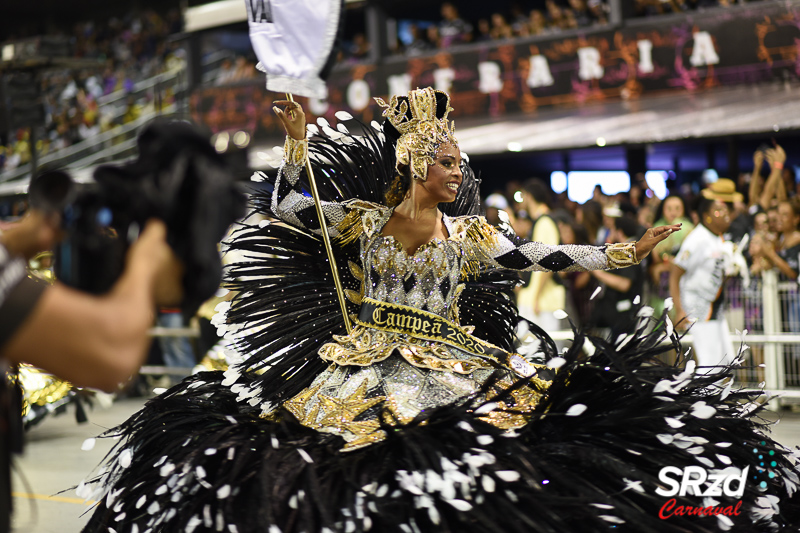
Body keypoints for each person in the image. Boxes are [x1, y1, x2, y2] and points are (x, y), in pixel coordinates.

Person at [81, 89, 800, 533]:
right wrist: (298, 142)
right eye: (450, 162)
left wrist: (618, 252)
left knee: (469, 466)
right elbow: (286, 206)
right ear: (418, 164)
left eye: (459, 163)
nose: (461, 174)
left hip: (454, 365)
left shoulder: (470, 239)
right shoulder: (361, 222)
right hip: (359, 365)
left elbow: (538, 257)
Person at [670, 180, 739, 372]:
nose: (726, 215)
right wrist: (680, 309)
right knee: (710, 362)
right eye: (719, 211)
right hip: (697, 308)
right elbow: (675, 274)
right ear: (707, 216)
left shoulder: (717, 237)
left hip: (714, 306)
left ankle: (715, 400)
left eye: (726, 211)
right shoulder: (697, 239)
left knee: (723, 360)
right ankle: (704, 402)